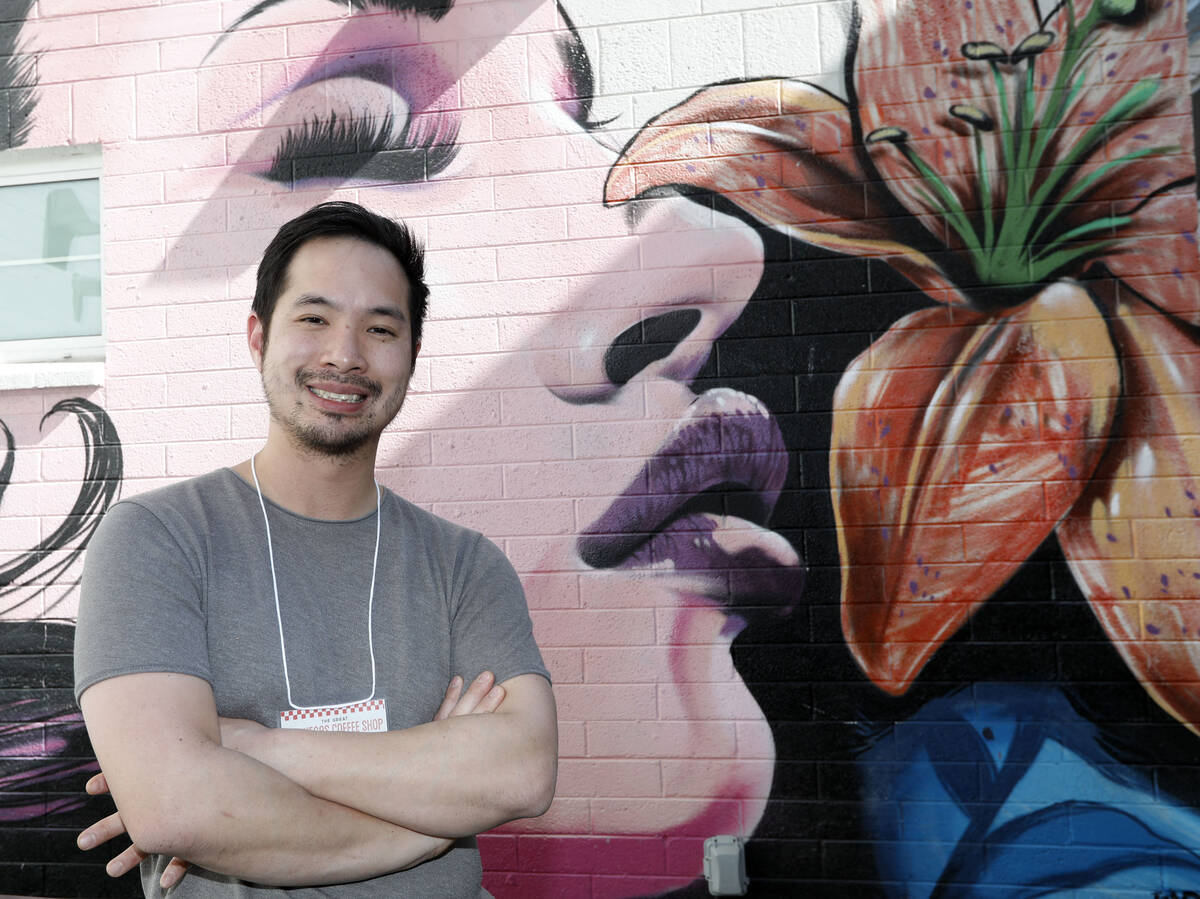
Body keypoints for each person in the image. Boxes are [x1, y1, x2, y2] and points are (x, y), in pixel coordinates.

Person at [72, 200, 558, 896]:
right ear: (258, 335)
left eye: (381, 327)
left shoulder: (465, 566)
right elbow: (177, 804)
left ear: (413, 355)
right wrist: (436, 815)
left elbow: (522, 772)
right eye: (314, 318)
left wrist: (255, 749)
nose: (345, 354)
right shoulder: (157, 538)